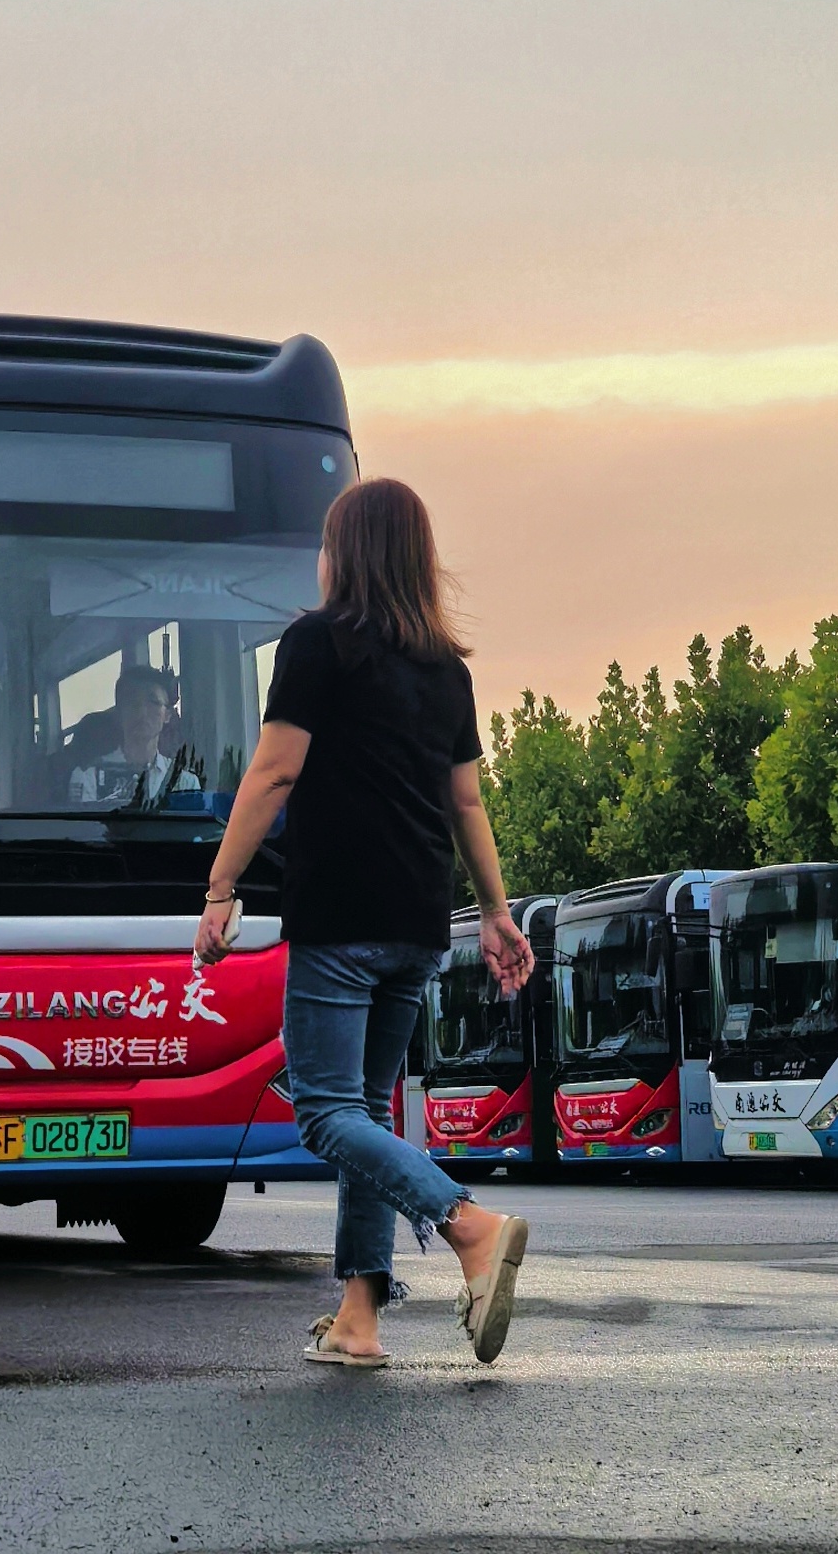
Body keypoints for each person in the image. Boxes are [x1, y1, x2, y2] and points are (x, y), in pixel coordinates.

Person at [195, 479, 536, 1366]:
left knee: (323, 1115)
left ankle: (468, 1226)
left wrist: (220, 888)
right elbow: (465, 802)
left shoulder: (315, 642)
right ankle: (357, 1319)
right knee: (366, 1119)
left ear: (343, 554)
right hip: (417, 921)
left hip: (341, 915)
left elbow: (273, 773)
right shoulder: (446, 669)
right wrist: (494, 913)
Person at [60, 664, 186, 807]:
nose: (142, 712)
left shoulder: (184, 782)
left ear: (167, 715)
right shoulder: (88, 776)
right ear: (119, 712)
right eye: (132, 702)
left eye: (153, 702)